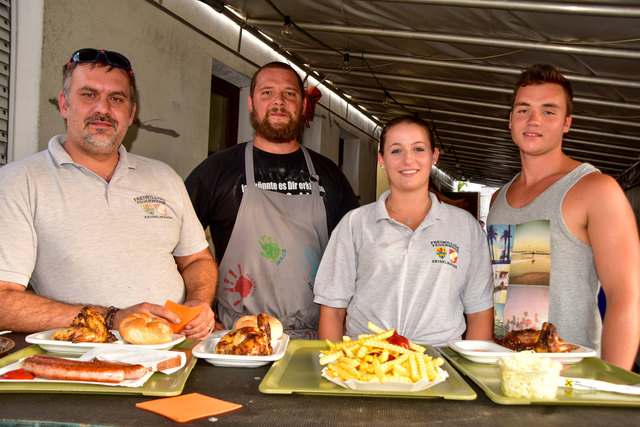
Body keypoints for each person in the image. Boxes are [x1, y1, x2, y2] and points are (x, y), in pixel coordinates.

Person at [0, 49, 217, 339]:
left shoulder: (164, 177)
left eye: (116, 98)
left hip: (175, 350)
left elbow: (196, 261)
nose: (103, 108)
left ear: (131, 114)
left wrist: (199, 301)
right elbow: (3, 300)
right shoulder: (18, 182)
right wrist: (111, 318)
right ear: (64, 105)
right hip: (84, 363)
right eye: (88, 95)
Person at [185, 62, 359, 339]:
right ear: (251, 103)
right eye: (267, 92)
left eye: (289, 94)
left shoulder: (329, 175)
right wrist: (202, 309)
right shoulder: (216, 171)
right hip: (238, 336)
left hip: (315, 337)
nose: (278, 101)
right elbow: (178, 249)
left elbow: (356, 254)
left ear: (303, 106)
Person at [487, 64, 640, 370]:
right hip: (504, 373)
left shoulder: (596, 189)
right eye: (523, 110)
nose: (533, 120)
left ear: (567, 123)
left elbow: (625, 297)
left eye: (549, 111)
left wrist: (611, 383)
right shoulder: (497, 199)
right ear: (510, 120)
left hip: (570, 381)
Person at [313, 115, 494, 345]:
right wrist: (335, 370)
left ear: (434, 156)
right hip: (366, 366)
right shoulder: (354, 224)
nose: (408, 160)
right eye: (396, 150)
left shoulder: (465, 227)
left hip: (442, 367)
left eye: (418, 149)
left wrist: (469, 375)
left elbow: (479, 313)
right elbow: (332, 309)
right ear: (382, 159)